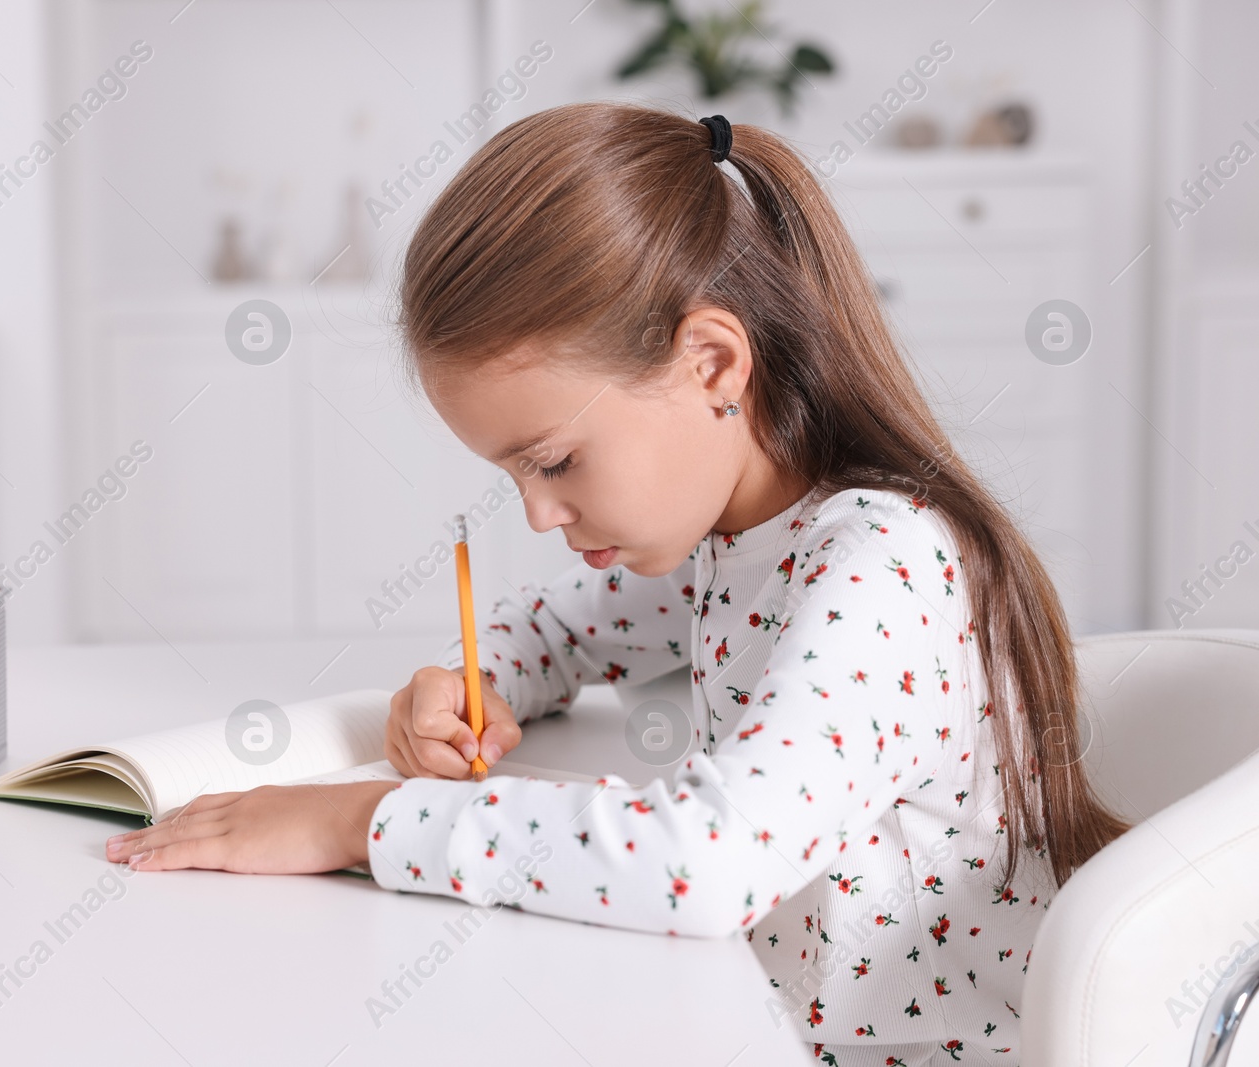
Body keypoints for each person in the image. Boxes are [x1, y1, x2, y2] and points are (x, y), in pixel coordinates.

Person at [105, 102, 1131, 1064]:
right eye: (513, 474)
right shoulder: (734, 535)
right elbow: (558, 630)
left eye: (552, 461)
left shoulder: (877, 562)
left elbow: (709, 858)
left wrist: (356, 820)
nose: (540, 514)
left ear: (713, 365)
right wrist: (473, 678)